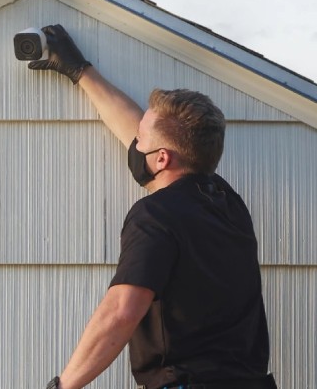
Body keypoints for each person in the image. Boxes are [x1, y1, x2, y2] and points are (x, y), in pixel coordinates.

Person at [30, 25, 277, 389]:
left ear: (162, 158)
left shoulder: (156, 215)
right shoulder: (227, 203)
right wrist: (81, 71)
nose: (136, 142)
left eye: (142, 139)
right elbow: (146, 136)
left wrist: (62, 386)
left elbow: (121, 311)